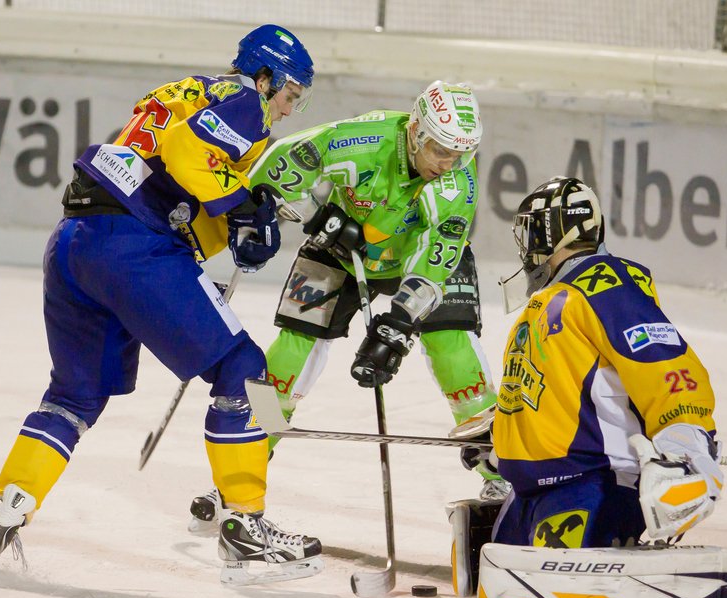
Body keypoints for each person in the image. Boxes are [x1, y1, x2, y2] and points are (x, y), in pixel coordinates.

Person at [0, 25, 323, 585]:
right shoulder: (243, 100)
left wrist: (238, 219)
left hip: (75, 242)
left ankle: (9, 506)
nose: (286, 109)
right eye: (288, 94)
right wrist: (243, 206)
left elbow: (173, 170)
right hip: (134, 249)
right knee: (244, 368)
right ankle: (245, 526)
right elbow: (186, 153)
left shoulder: (188, 91)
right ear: (264, 78)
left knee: (74, 396)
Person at [189, 80, 507, 533]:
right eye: (440, 150)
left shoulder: (458, 184)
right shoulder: (361, 140)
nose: (448, 164)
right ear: (416, 130)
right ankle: (240, 468)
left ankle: (502, 472)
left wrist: (397, 325)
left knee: (452, 346)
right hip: (339, 251)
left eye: (460, 154)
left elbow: (435, 263)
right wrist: (318, 217)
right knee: (291, 353)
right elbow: (278, 167)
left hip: (414, 260)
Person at [490, 176, 724, 550]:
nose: (527, 246)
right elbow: (555, 390)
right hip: (530, 492)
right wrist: (502, 439)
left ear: (554, 234)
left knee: (558, 588)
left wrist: (687, 448)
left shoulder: (602, 284)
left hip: (588, 487)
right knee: (487, 579)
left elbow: (665, 365)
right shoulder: (555, 296)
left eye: (532, 233)